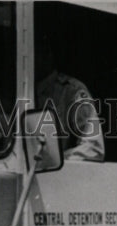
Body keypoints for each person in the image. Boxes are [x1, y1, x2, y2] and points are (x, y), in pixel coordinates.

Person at [34, 33, 105, 162]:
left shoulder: (71, 91)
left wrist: (55, 160)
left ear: (48, 54)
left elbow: (93, 148)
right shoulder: (13, 92)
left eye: (35, 50)